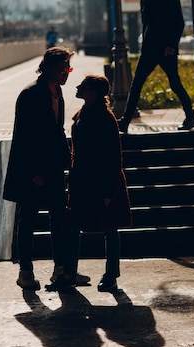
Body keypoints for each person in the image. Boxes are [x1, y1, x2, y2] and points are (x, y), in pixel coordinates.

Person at [3, 47, 90, 291]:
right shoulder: (30, 94)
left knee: (59, 217)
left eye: (68, 69)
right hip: (33, 167)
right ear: (48, 67)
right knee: (28, 219)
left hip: (52, 166)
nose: (66, 74)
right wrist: (35, 171)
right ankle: (25, 271)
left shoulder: (57, 91)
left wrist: (66, 160)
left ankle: (61, 269)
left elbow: (56, 130)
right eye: (62, 69)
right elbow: (26, 136)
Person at [48, 75, 132, 293]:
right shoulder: (82, 115)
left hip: (101, 181)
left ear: (93, 92)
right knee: (73, 226)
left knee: (109, 228)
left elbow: (114, 155)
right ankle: (68, 273)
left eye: (83, 85)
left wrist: (108, 190)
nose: (77, 86)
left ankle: (111, 275)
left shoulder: (105, 118)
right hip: (82, 180)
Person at [117, 0, 194, 133]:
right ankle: (125, 121)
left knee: (174, 84)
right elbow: (147, 24)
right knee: (137, 84)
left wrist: (171, 45)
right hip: (150, 48)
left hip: (165, 50)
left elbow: (179, 22)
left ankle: (190, 116)